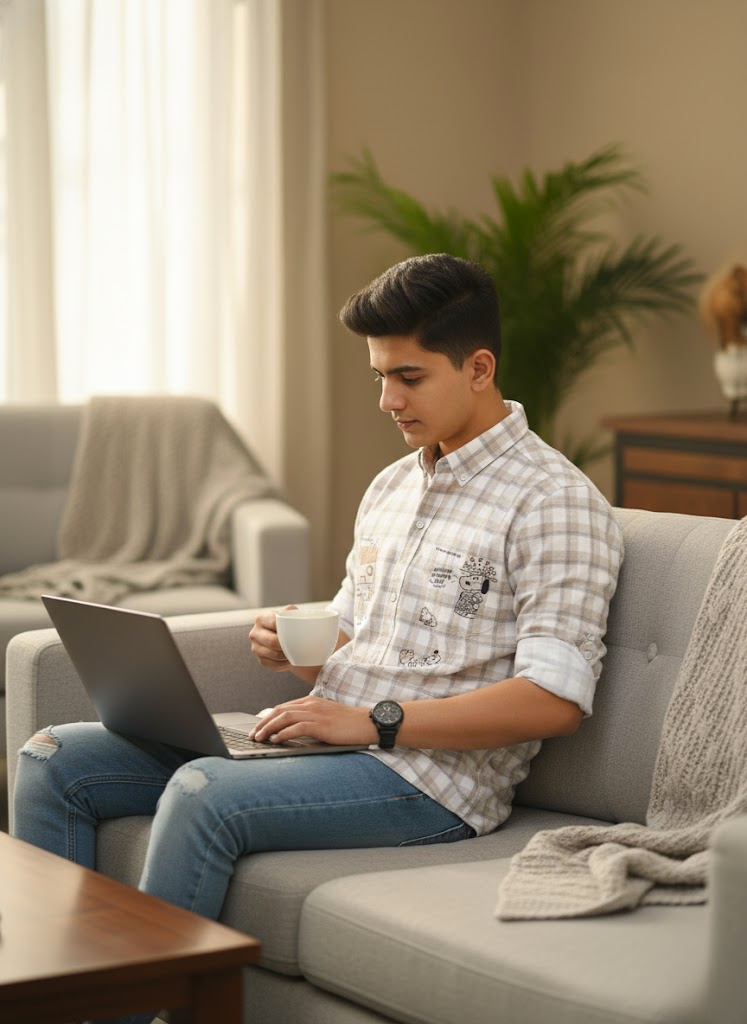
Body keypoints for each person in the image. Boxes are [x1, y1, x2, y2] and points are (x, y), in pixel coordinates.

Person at [12, 253, 622, 1024]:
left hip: (431, 781)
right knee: (52, 759)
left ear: (478, 367)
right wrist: (302, 651)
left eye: (406, 377)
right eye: (378, 376)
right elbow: (356, 631)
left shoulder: (555, 503)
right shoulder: (393, 486)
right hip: (332, 745)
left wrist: (374, 721)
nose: (384, 400)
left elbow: (553, 700)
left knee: (205, 795)